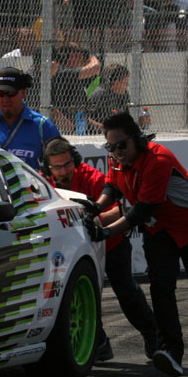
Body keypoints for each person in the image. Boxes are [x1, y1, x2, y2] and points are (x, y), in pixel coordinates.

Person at [89, 113, 188, 377]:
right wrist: (95, 207)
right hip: (158, 229)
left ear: (136, 139)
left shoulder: (158, 160)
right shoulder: (118, 161)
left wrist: (106, 232)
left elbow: (141, 211)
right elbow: (112, 187)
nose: (117, 152)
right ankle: (171, 351)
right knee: (160, 286)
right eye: (111, 147)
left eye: (121, 145)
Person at [40, 137, 159, 362]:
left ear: (75, 161)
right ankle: (99, 342)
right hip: (72, 251)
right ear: (48, 168)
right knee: (77, 295)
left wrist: (97, 219)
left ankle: (152, 333)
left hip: (110, 242)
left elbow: (120, 210)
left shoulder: (92, 177)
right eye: (57, 167)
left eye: (67, 164)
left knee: (125, 290)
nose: (63, 171)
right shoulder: (42, 183)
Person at [0, 67, 59, 170]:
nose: (5, 99)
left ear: (23, 93)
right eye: (0, 93)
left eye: (10, 93)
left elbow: (60, 166)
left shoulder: (43, 127)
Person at [86, 63, 149, 134]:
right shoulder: (99, 94)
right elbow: (84, 117)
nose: (127, 85)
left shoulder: (124, 95)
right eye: (126, 81)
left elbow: (124, 121)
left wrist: (139, 122)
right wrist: (99, 126)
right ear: (117, 83)